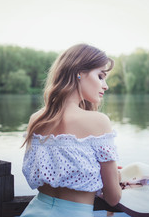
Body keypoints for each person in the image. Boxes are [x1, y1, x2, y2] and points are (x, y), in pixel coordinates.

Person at [21, 44, 122, 217]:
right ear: (79, 73)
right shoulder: (99, 122)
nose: (105, 86)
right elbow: (113, 198)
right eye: (100, 76)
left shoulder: (36, 120)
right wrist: (116, 179)